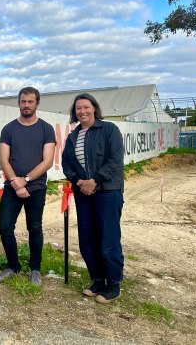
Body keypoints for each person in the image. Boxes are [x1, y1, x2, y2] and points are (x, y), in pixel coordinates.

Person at [61, 93, 124, 303]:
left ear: (94, 108)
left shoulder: (109, 130)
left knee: (108, 238)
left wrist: (94, 180)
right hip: (83, 194)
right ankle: (97, 280)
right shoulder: (72, 137)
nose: (82, 111)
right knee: (87, 238)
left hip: (107, 191)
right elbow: (67, 164)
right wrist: (80, 182)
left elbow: (115, 160)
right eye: (78, 108)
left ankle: (113, 285)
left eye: (86, 107)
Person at [0, 87, 55, 287]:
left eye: (30, 102)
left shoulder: (46, 129)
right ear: (19, 103)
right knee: (5, 227)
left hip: (36, 187)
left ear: (37, 103)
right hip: (12, 187)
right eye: (23, 101)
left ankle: (35, 269)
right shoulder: (9, 129)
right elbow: (4, 160)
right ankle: (13, 266)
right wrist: (16, 182)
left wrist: (26, 180)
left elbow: (47, 161)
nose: (26, 105)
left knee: (34, 228)